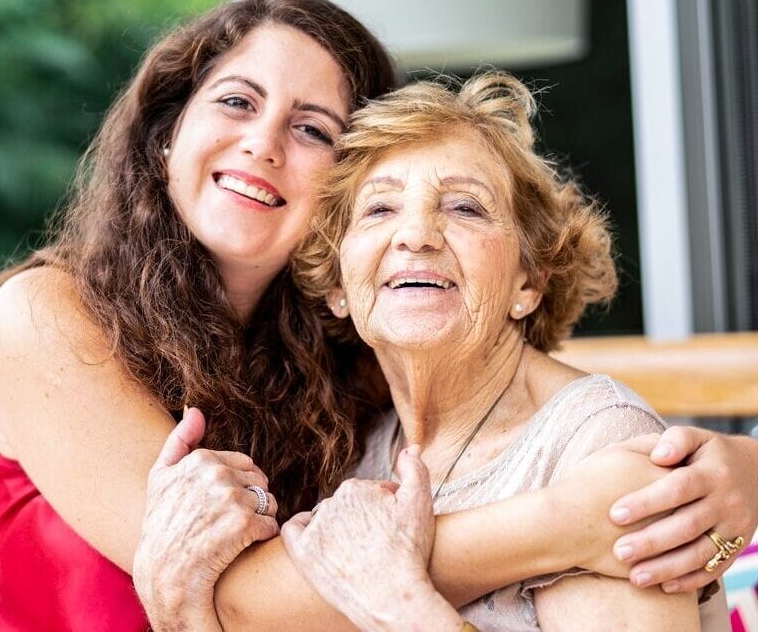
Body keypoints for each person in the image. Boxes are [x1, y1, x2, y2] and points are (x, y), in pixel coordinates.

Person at [0, 0, 754, 631]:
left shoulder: (359, 377)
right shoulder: (46, 316)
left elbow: (538, 404)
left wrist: (744, 472)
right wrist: (559, 522)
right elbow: (245, 602)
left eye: (312, 128)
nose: (263, 143)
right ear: (168, 135)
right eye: (236, 101)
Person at [281, 71, 730, 629]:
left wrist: (402, 604)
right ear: (338, 288)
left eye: (465, 208)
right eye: (379, 210)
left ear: (528, 283)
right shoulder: (356, 453)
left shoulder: (597, 446)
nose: (416, 234)